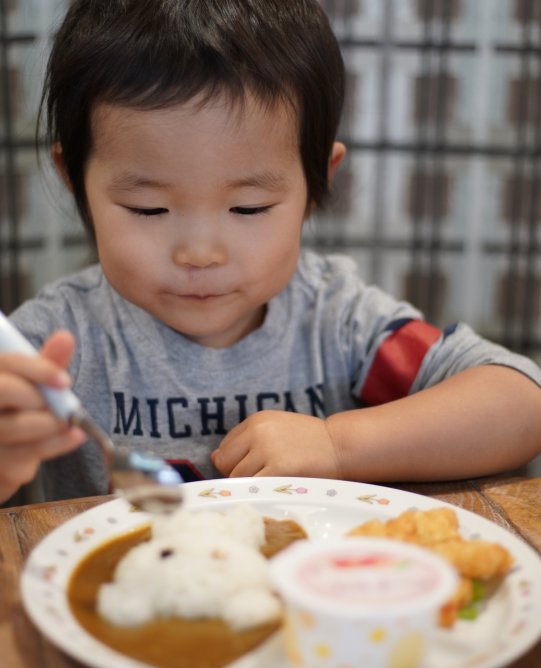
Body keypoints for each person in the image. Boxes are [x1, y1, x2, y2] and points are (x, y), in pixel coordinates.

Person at [1, 0, 540, 507]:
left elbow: (521, 403)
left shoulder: (338, 321)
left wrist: (337, 445)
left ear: (315, 185)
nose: (200, 253)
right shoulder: (51, 350)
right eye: (148, 209)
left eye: (250, 208)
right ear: (75, 183)